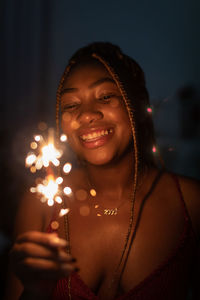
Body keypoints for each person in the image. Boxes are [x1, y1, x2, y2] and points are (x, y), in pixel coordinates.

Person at [5, 42, 200, 300]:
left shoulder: (190, 203)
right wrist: (35, 291)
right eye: (71, 105)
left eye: (106, 96)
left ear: (137, 104)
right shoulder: (39, 207)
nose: (86, 115)